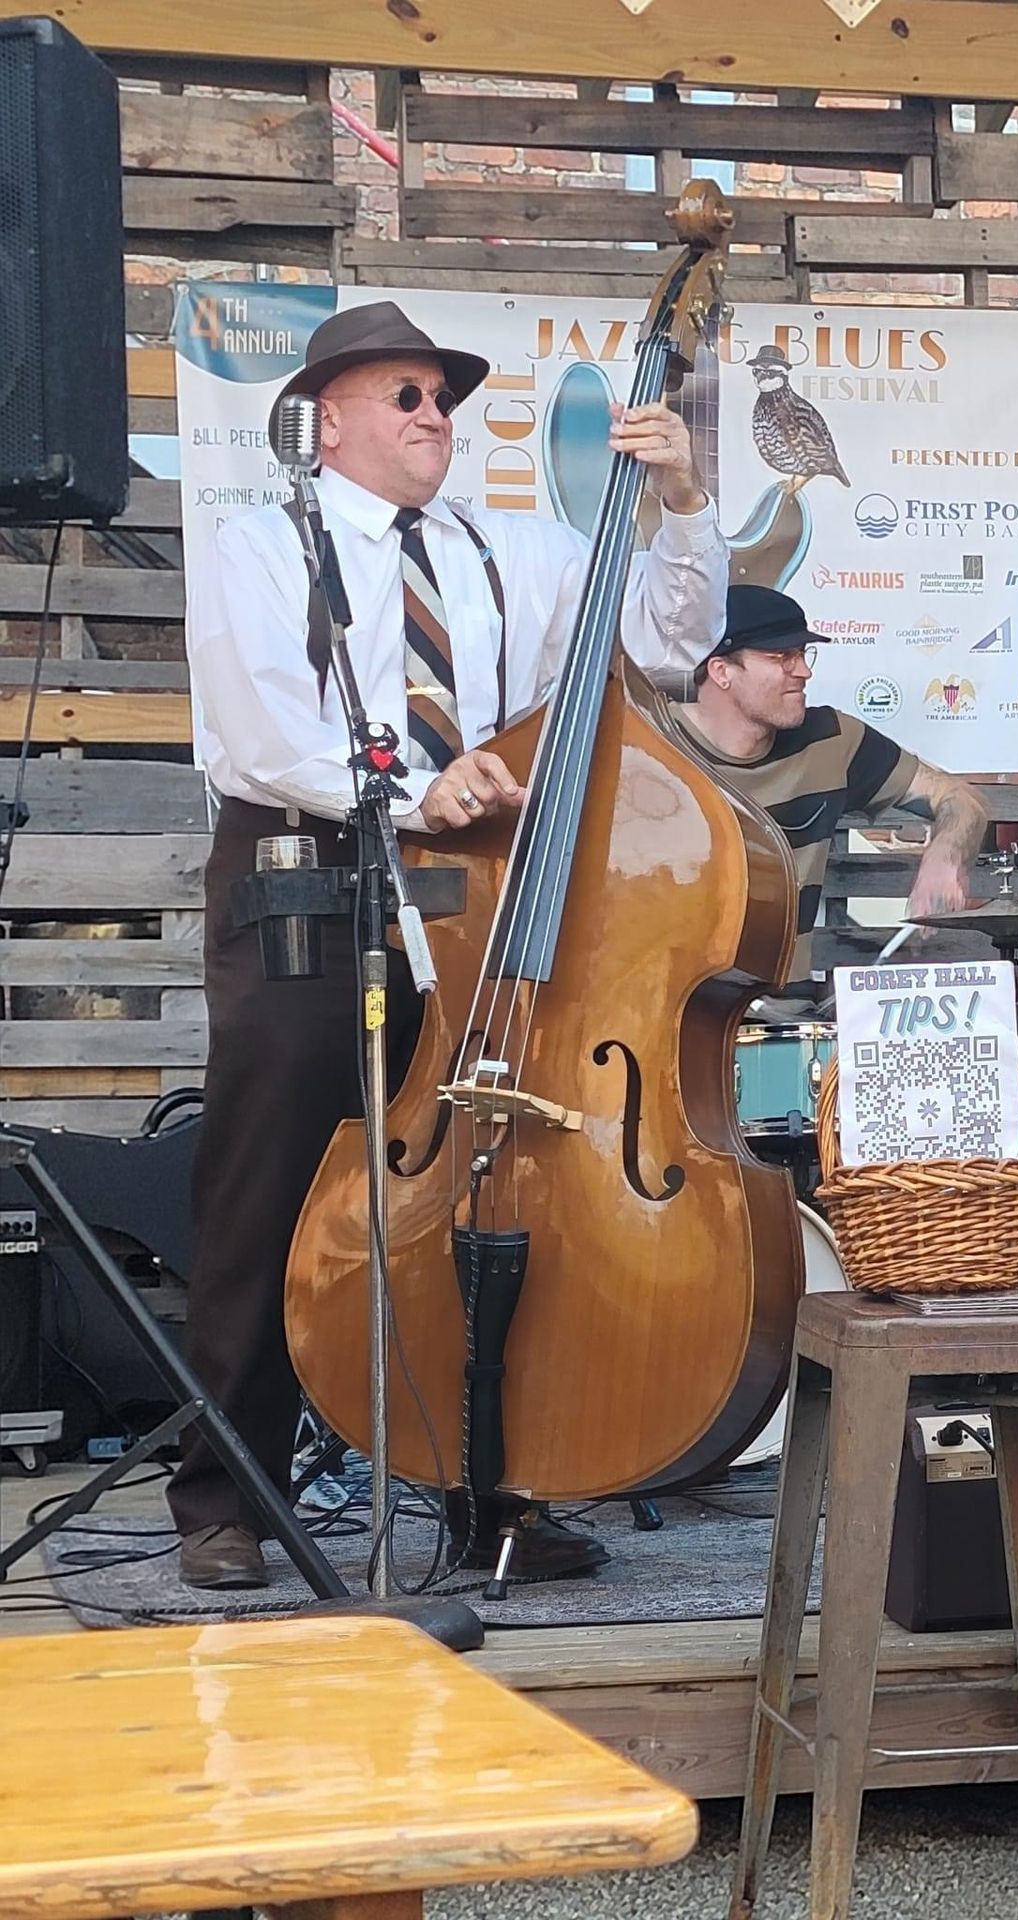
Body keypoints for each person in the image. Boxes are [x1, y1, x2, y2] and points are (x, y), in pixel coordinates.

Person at [175, 301, 727, 1589]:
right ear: (329, 420)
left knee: (491, 1181)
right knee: (266, 1185)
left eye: (445, 398)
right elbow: (259, 736)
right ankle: (224, 1496)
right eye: (408, 397)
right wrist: (416, 791)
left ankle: (491, 1486)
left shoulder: (496, 551)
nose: (438, 419)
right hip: (306, 880)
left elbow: (667, 638)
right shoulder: (263, 543)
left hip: (467, 896)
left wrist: (684, 504)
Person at [672, 584, 990, 995]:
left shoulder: (830, 740)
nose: (804, 671)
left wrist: (946, 856)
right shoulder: (649, 747)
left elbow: (962, 800)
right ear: (721, 671)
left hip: (786, 1021)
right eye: (781, 657)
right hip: (666, 1018)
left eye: (803, 655)